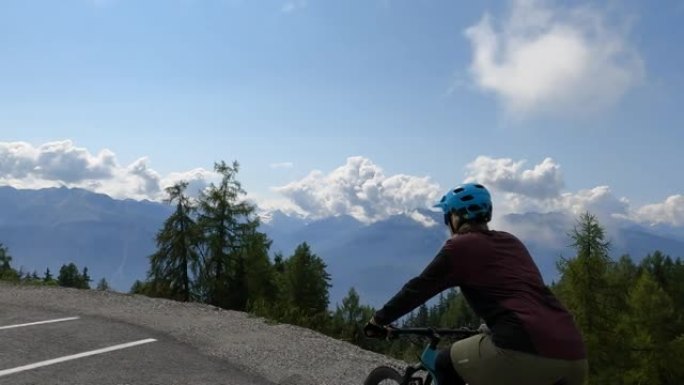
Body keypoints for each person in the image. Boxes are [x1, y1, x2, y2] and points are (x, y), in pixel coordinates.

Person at [364, 183, 588, 385]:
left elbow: (418, 288)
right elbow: (523, 295)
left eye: (448, 214)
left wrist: (379, 320)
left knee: (444, 363)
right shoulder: (512, 242)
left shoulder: (460, 247)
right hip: (575, 356)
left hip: (522, 349)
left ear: (456, 217)